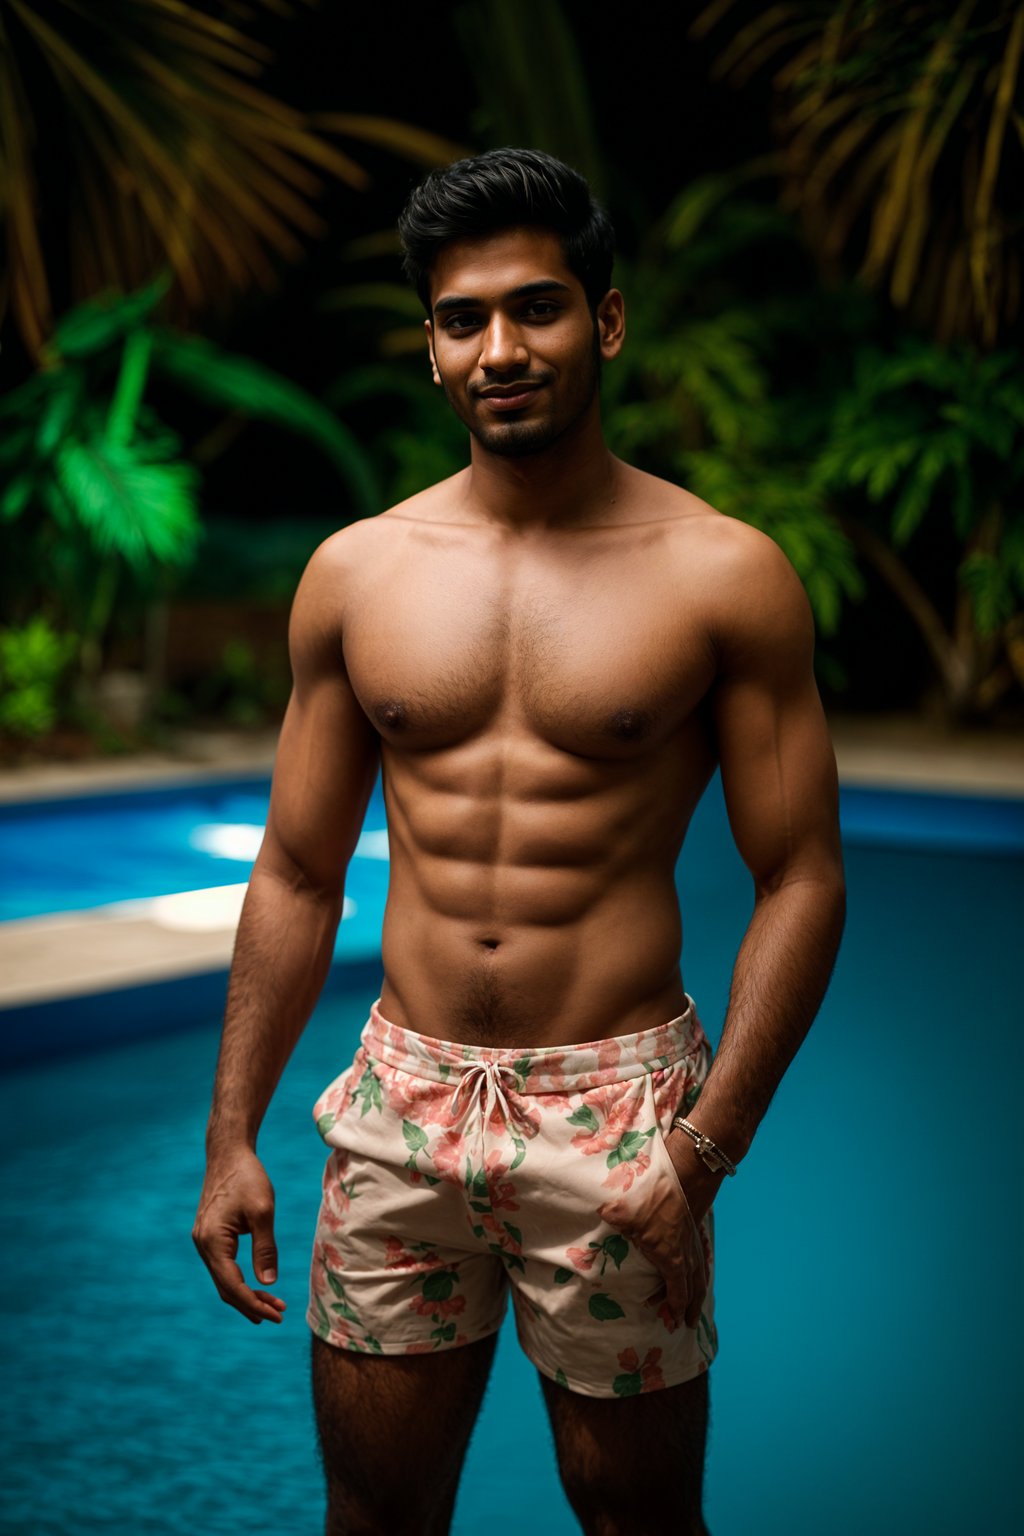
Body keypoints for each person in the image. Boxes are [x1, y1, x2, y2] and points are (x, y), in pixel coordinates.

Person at [193, 147, 846, 1536]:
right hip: (399, 1108)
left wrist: (705, 1149)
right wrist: (230, 1132)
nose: (501, 348)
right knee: (373, 1513)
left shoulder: (723, 574)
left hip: (622, 1116)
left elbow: (801, 876)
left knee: (639, 1518)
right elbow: (300, 871)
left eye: (538, 309)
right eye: (462, 318)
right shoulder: (358, 575)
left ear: (603, 322)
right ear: (430, 348)